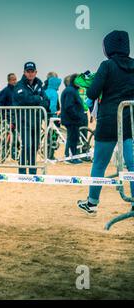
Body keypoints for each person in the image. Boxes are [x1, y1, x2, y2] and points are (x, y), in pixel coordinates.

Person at [78, 30, 134, 215]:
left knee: (100, 163)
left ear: (108, 47)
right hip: (130, 120)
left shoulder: (107, 65)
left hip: (109, 119)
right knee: (132, 164)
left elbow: (93, 92)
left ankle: (92, 203)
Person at [13, 62, 50, 175]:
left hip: (37, 120)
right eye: (28, 71)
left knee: (35, 146)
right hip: (24, 121)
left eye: (32, 71)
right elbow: (24, 99)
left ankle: (33, 171)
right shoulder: (19, 85)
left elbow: (46, 101)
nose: (30, 73)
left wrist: (37, 100)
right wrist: (38, 99)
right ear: (24, 72)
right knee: (27, 145)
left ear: (35, 72)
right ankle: (23, 172)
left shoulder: (39, 84)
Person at [61, 74, 87, 164]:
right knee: (72, 138)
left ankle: (73, 157)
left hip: (73, 120)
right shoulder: (70, 91)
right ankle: (69, 157)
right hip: (71, 120)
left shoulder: (72, 90)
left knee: (74, 138)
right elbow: (69, 106)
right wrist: (77, 116)